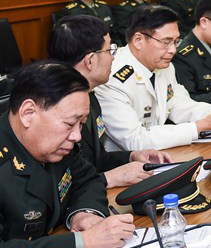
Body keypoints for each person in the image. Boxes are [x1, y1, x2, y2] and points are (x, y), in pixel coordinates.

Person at [0, 61, 135, 248]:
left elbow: (88, 179)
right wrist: (85, 242)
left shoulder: (54, 146)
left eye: (81, 124)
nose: (77, 136)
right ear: (28, 113)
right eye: (70, 124)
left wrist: (83, 213)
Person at [47, 15, 173, 188]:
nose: (113, 57)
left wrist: (132, 156)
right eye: (109, 50)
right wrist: (109, 178)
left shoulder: (90, 95)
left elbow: (96, 159)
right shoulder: (53, 109)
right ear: (90, 61)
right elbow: (59, 185)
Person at [94, 5, 211, 151]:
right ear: (138, 40)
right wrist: (198, 128)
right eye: (166, 42)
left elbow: (179, 104)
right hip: (128, 161)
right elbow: (135, 140)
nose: (173, 50)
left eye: (176, 41)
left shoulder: (164, 66)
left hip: (161, 152)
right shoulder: (112, 78)